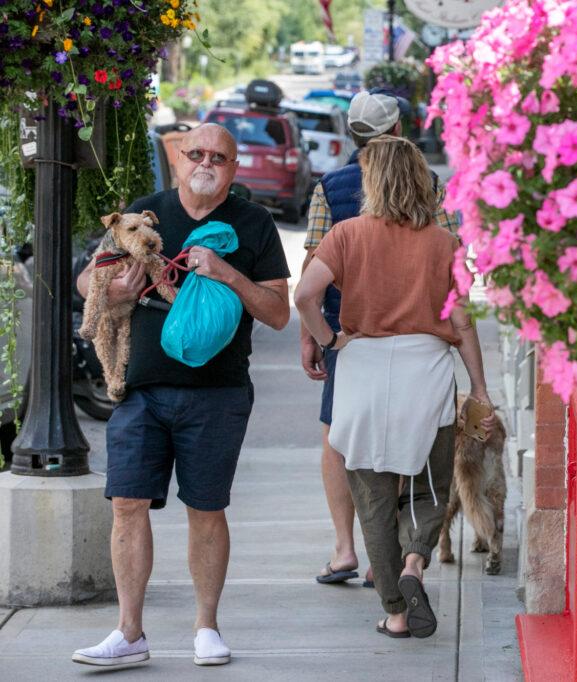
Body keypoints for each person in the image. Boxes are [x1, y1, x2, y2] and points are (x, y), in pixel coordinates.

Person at [72, 123, 291, 669]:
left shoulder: (253, 223)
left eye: (219, 156)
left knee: (206, 509)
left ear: (234, 169)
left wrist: (227, 273)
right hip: (141, 389)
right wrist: (116, 289)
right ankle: (129, 632)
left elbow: (278, 312)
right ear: (178, 161)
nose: (206, 162)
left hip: (217, 392)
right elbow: (86, 282)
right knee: (126, 503)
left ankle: (206, 627)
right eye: (196, 152)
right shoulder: (145, 213)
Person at [294, 135, 493, 638]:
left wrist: (329, 338)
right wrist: (480, 388)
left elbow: (305, 295)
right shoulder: (445, 245)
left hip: (360, 368)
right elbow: (464, 323)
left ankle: (396, 614)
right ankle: (414, 563)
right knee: (430, 483)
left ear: (372, 181)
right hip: (424, 371)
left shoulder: (347, 235)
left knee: (372, 493)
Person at [301, 90, 459, 586]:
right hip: (421, 334)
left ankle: (346, 547)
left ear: (352, 134)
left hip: (350, 333)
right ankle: (389, 558)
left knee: (341, 437)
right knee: (414, 440)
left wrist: (316, 338)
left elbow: (311, 266)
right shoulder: (429, 183)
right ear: (397, 132)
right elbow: (454, 261)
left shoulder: (330, 185)